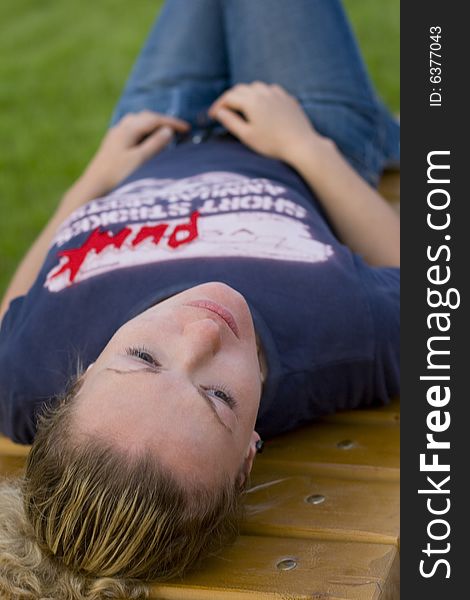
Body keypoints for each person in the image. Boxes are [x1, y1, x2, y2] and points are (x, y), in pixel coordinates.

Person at [0, 0, 400, 598]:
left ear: (75, 385)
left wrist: (94, 178)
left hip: (155, 133)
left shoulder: (24, 377)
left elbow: (15, 307)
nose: (201, 333)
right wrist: (306, 147)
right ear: (247, 458)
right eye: (217, 397)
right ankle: (377, 130)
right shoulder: (344, 339)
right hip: (300, 128)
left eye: (142, 357)